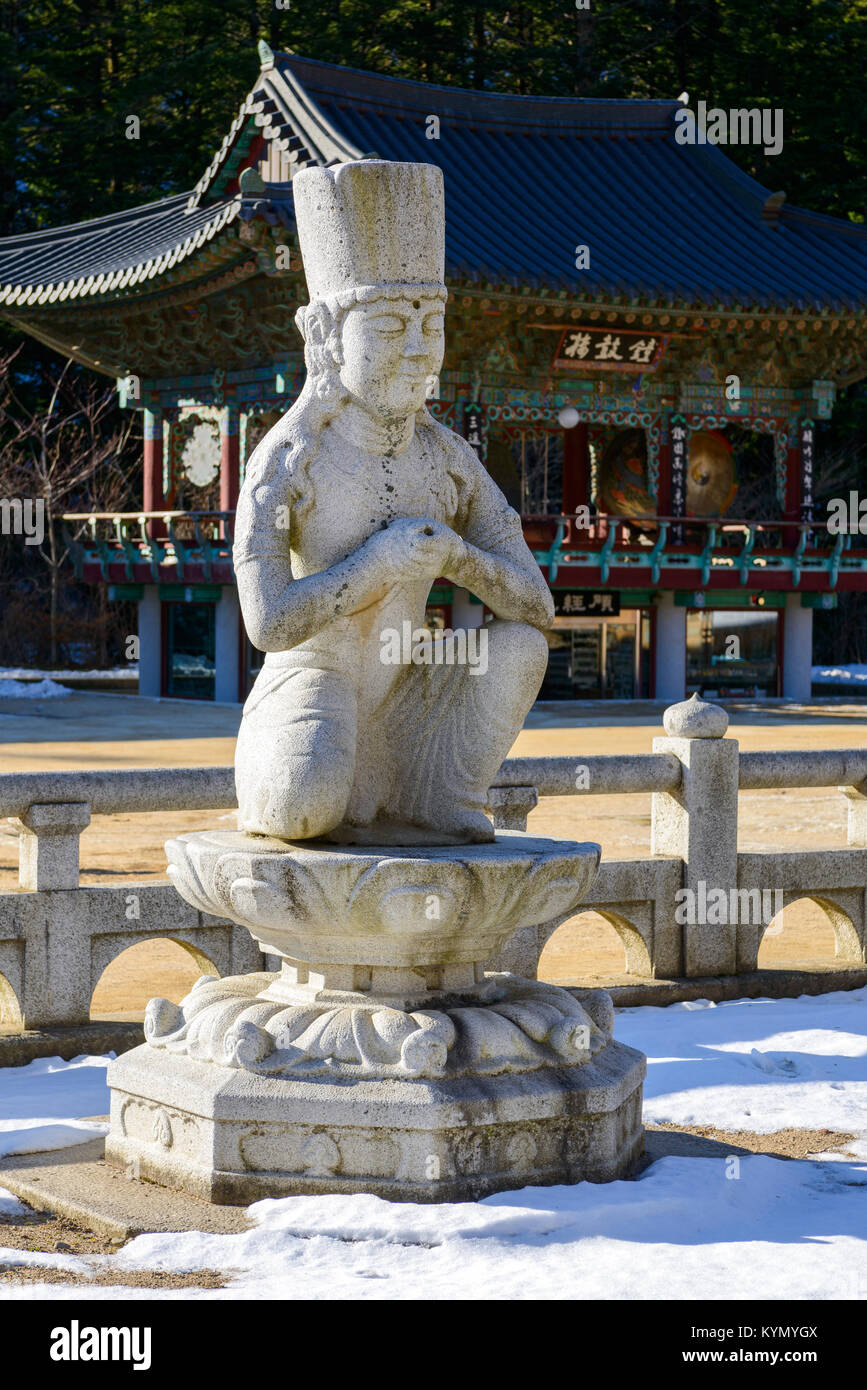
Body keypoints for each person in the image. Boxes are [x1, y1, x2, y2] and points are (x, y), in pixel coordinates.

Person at [233, 160, 553, 844]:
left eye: (431, 326)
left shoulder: (446, 459)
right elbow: (268, 624)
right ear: (326, 337)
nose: (416, 351)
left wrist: (460, 558)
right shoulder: (288, 459)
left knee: (520, 647)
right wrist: (377, 565)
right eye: (386, 327)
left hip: (410, 688)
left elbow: (537, 605)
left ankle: (440, 796)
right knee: (300, 806)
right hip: (314, 680)